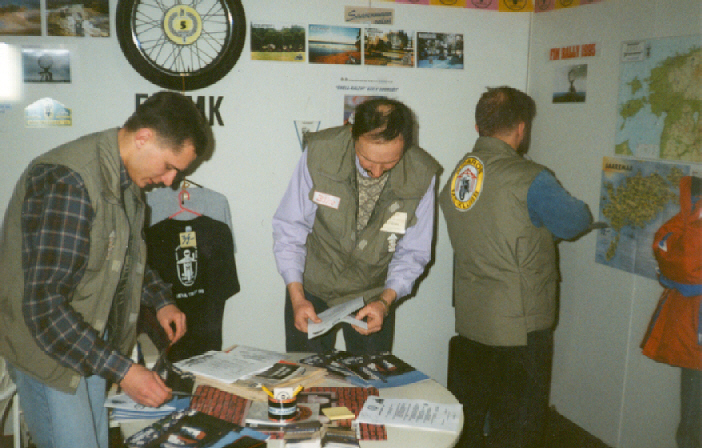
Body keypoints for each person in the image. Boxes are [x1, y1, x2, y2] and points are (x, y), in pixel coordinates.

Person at [0, 91, 210, 448]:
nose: (170, 181)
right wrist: (125, 371)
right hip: (49, 354)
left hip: (88, 343)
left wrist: (161, 300)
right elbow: (45, 307)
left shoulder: (126, 178)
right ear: (143, 138)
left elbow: (125, 256)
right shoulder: (69, 181)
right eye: (169, 166)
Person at [439, 86, 593, 448]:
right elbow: (576, 221)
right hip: (520, 327)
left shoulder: (461, 172)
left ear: (478, 126)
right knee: (518, 428)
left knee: (469, 422)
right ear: (521, 128)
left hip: (472, 319)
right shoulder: (530, 177)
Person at [273, 98, 440, 355]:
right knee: (304, 371)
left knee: (371, 376)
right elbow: (290, 227)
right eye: (367, 160)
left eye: (389, 163)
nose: (377, 172)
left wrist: (385, 301)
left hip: (373, 294)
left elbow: (414, 252)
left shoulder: (422, 173)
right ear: (353, 135)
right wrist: (297, 297)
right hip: (311, 288)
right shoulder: (320, 152)